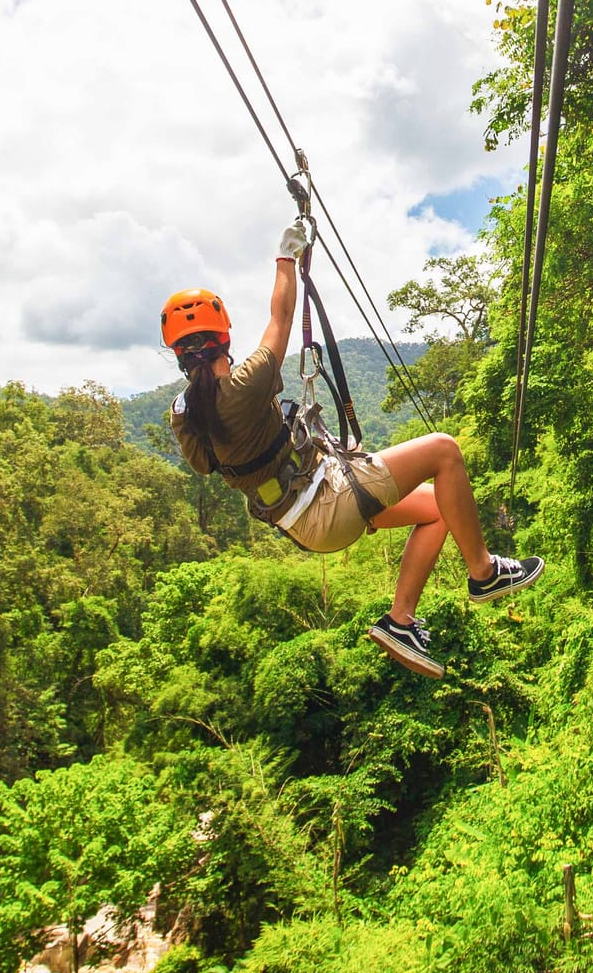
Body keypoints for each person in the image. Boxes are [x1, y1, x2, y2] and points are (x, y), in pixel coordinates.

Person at [162, 219, 543, 679]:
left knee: (440, 509)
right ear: (224, 338)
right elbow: (281, 319)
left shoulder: (183, 414)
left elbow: (217, 463)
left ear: (179, 355)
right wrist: (287, 256)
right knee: (445, 451)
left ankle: (400, 621)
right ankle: (483, 572)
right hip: (328, 504)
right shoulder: (244, 385)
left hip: (302, 517)